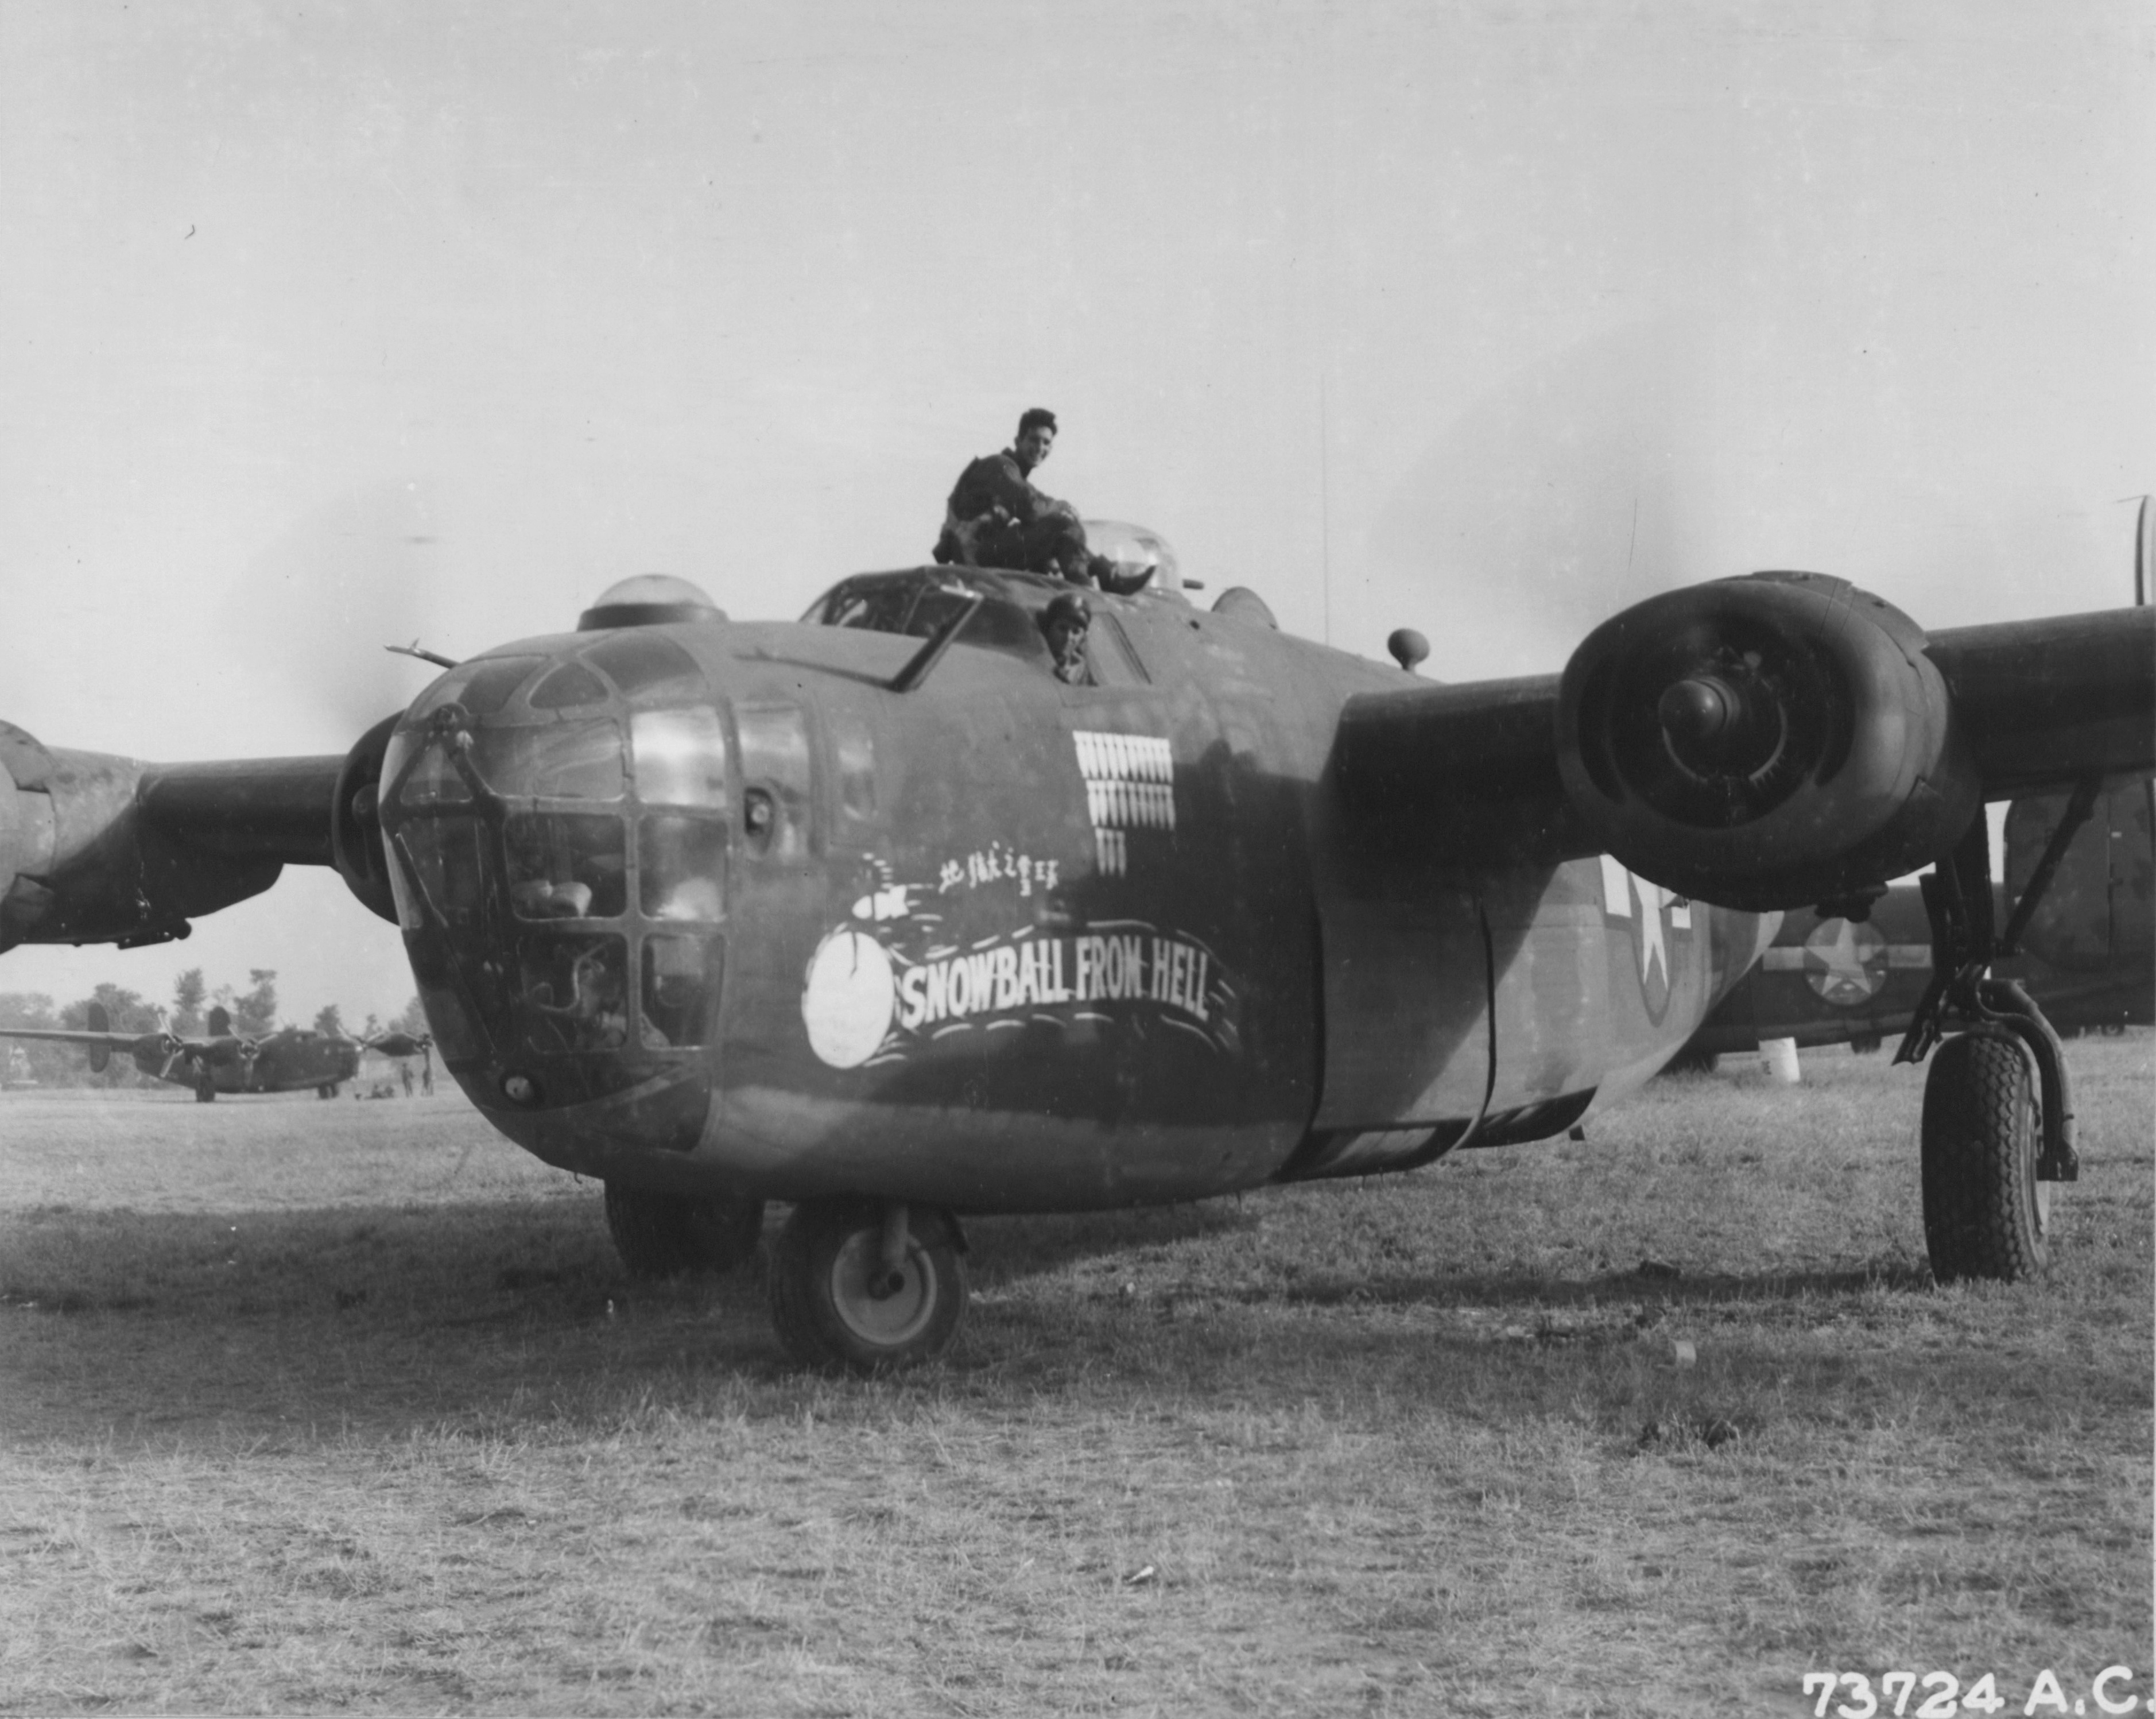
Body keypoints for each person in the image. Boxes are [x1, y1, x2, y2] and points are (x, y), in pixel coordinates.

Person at [935, 408, 1096, 579]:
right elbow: (1031, 507)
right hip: (974, 554)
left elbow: (1037, 505)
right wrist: (1062, 507)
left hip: (982, 552)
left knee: (1063, 533)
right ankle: (1087, 594)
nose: (1040, 447)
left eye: (1046, 442)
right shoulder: (999, 466)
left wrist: (1096, 562)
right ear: (1018, 441)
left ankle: (1104, 574)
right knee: (1063, 524)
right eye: (1034, 439)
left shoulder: (1017, 479)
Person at [1040, 591, 1094, 686]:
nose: (1069, 637)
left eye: (1076, 632)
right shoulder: (1033, 656)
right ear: (1048, 628)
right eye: (1062, 628)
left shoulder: (1079, 672)